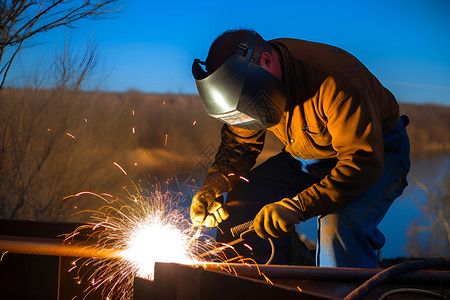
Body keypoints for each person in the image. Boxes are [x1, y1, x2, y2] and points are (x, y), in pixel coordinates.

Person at [190, 29, 410, 268]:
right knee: (241, 203)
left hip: (376, 155)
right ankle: (263, 285)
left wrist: (298, 205)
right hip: (306, 158)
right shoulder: (246, 81)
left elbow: (361, 162)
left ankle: (344, 293)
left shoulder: (336, 82)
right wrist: (213, 186)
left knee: (339, 224)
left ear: (265, 61)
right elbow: (238, 147)